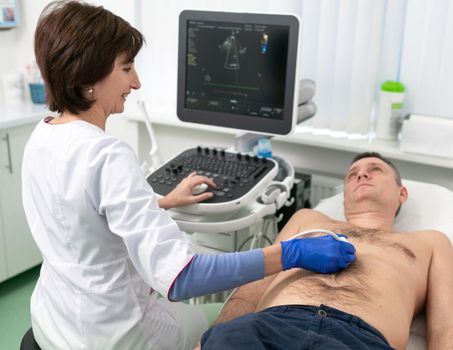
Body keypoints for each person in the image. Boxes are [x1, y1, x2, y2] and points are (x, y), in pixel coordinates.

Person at [21, 2, 356, 349]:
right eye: (127, 68)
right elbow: (182, 277)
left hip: (52, 321)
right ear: (89, 79)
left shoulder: (44, 135)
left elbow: (79, 213)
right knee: (238, 315)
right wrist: (289, 254)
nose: (135, 82)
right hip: (114, 337)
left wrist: (162, 201)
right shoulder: (106, 155)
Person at [200, 152, 453, 350]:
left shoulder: (430, 243)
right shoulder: (308, 220)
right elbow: (251, 292)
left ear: (401, 194)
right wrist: (209, 341)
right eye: (352, 175)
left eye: (375, 169)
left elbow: (448, 325)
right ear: (344, 198)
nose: (361, 174)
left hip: (359, 339)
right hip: (267, 327)